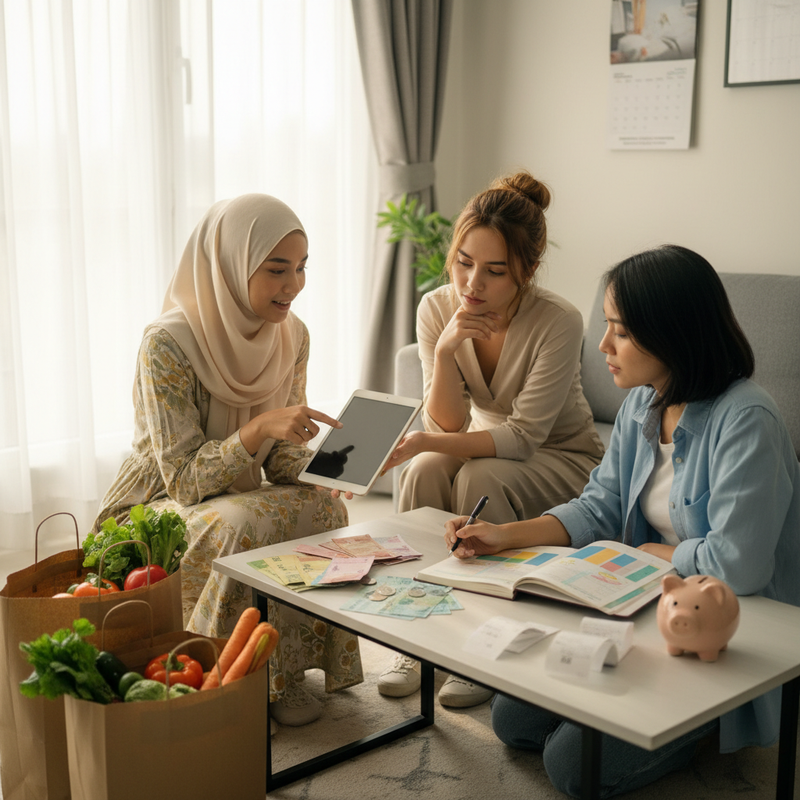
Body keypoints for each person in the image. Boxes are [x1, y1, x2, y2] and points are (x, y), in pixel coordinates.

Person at [443, 244, 800, 798]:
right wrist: (502, 536)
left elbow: (739, 567)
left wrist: (651, 555)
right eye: (607, 326)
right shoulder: (643, 402)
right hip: (641, 602)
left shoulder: (746, 420)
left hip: (720, 629)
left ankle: (705, 723)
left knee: (570, 768)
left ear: (674, 335)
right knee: (512, 722)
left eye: (623, 332)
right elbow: (599, 508)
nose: (604, 345)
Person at [91, 194, 363, 727]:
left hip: (235, 490)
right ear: (231, 267)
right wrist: (257, 427)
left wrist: (326, 469)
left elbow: (279, 456)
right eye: (277, 269)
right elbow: (185, 479)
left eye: (303, 267)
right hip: (157, 504)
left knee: (326, 512)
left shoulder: (293, 335)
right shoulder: (166, 343)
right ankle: (227, 679)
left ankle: (286, 670)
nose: (295, 284)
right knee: (241, 521)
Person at [378, 171, 605, 707]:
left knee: (474, 471)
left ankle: (482, 643)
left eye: (494, 271)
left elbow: (525, 439)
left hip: (562, 455)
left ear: (525, 271)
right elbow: (450, 429)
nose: (471, 285)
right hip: (487, 443)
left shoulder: (559, 321)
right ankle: (412, 625)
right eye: (463, 263)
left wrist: (427, 442)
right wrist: (443, 353)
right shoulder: (437, 308)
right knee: (424, 470)